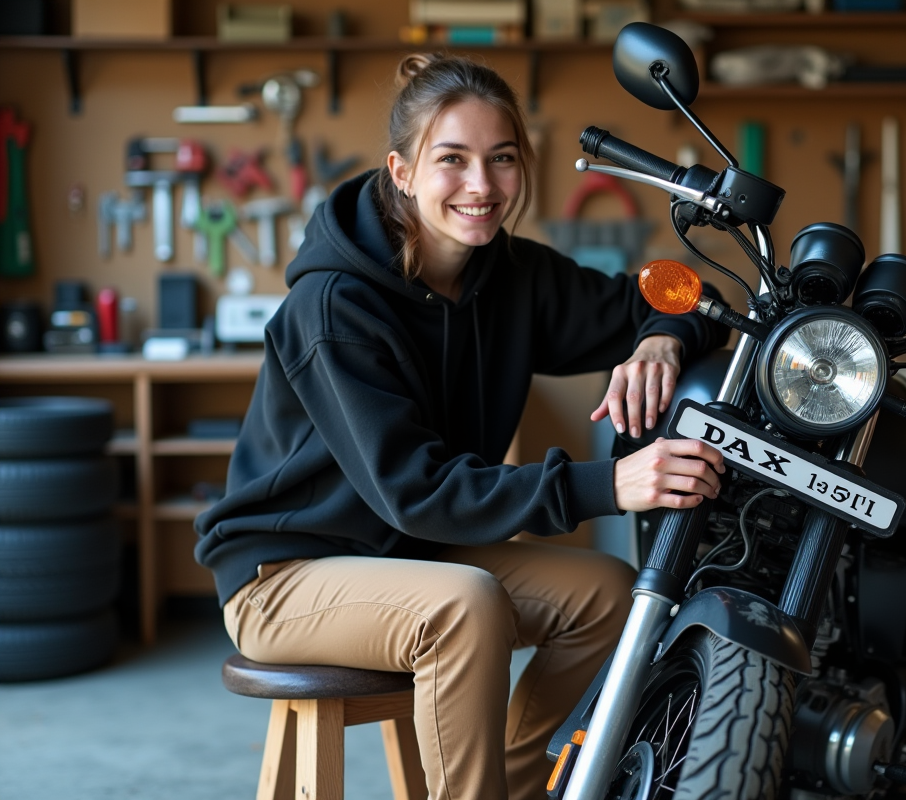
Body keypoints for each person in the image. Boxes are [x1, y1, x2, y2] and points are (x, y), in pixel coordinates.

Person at [195, 53, 728, 800]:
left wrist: (660, 340)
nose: (482, 186)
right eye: (452, 159)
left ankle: (522, 790)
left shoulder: (511, 276)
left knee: (610, 594)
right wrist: (608, 484)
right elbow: (416, 493)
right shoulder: (335, 307)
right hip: (286, 575)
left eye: (501, 158)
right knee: (466, 605)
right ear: (402, 171)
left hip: (415, 551)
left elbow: (683, 297)